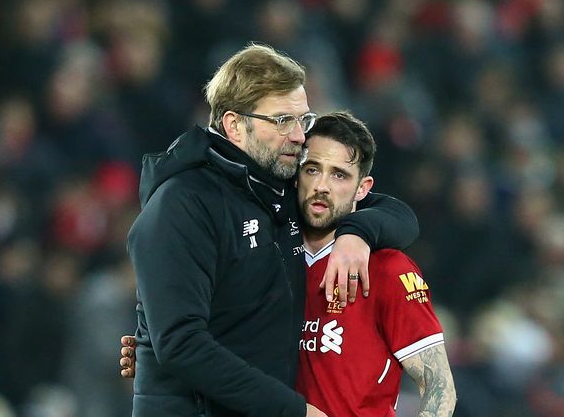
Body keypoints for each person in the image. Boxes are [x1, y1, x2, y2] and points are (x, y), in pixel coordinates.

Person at [126, 44, 418, 417]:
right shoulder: (182, 205)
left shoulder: (280, 188)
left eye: (303, 119)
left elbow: (398, 214)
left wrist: (355, 234)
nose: (299, 136)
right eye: (282, 121)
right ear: (234, 125)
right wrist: (296, 412)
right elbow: (180, 344)